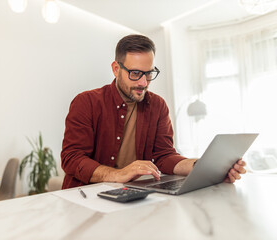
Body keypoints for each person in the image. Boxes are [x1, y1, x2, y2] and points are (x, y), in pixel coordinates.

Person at [60, 34, 246, 189]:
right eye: (135, 73)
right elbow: (72, 158)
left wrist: (203, 167)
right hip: (83, 196)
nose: (143, 82)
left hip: (129, 196)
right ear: (116, 69)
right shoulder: (86, 102)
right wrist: (118, 174)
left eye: (149, 74)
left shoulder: (158, 106)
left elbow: (164, 156)